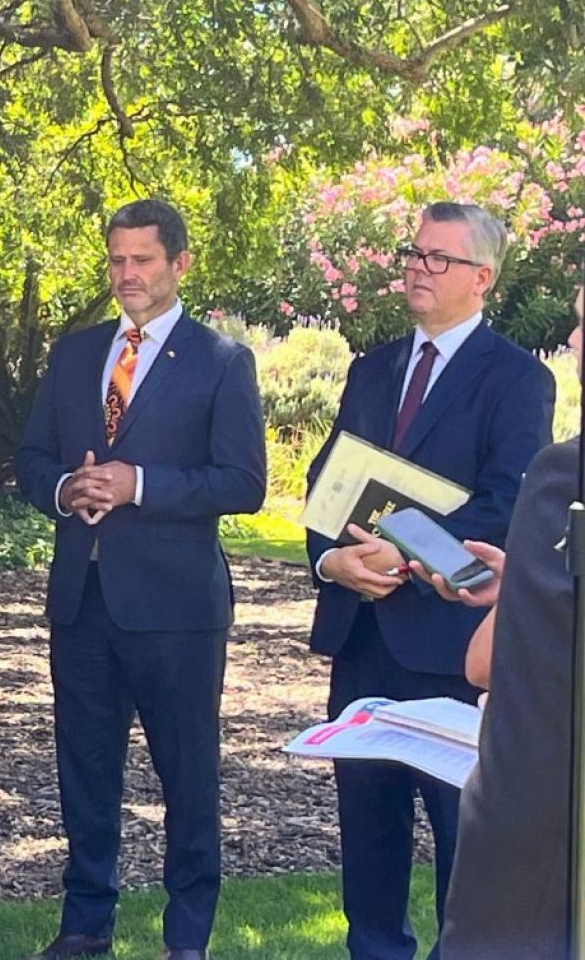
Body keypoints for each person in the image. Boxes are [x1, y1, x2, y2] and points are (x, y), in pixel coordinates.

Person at [15, 198, 267, 960]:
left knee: (188, 780)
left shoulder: (221, 361)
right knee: (85, 773)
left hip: (177, 609)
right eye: (117, 260)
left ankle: (187, 937)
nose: (128, 274)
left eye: (143, 260)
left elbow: (242, 482)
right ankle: (86, 924)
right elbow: (30, 460)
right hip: (82, 598)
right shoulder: (74, 353)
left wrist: (140, 486)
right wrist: (67, 489)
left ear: (179, 264)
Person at [305, 201, 554, 960]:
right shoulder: (372, 367)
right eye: (413, 254)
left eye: (436, 258)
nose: (416, 268)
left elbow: (506, 503)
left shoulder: (515, 379)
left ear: (482, 278)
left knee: (459, 836)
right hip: (363, 633)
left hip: (453, 643)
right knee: (369, 833)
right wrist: (332, 560)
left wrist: (405, 560)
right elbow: (328, 483)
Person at [415, 288, 582, 959]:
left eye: (582, 323)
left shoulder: (566, 478)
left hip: (541, 884)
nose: (574, 342)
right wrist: (526, 586)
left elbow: (487, 670)